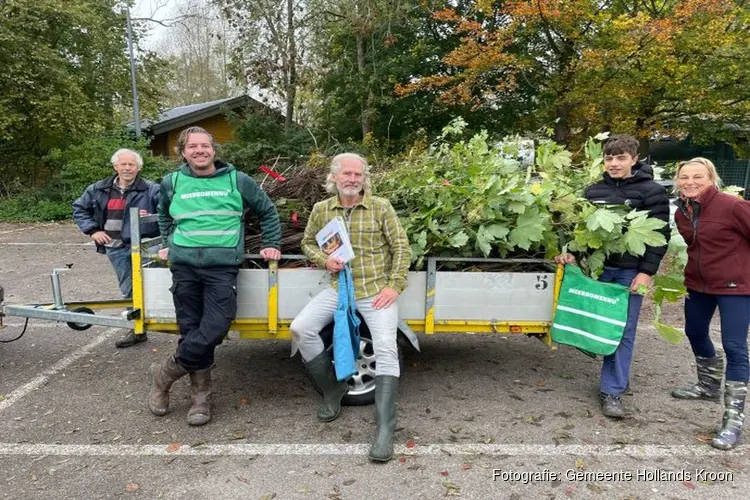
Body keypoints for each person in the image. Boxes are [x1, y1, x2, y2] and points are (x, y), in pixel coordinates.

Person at [149, 126, 281, 426]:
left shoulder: (237, 180)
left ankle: (164, 374)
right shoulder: (172, 182)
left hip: (221, 267)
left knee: (217, 326)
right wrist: (169, 243)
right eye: (192, 146)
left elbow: (268, 212)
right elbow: (165, 215)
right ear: (183, 152)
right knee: (191, 328)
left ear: (214, 150)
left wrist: (272, 243)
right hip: (183, 266)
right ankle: (201, 399)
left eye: (204, 145)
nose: (199, 150)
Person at [291, 153, 410, 462]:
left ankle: (385, 428)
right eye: (347, 174)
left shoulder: (380, 207)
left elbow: (401, 247)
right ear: (335, 177)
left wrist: (394, 285)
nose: (353, 179)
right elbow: (307, 243)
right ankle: (332, 392)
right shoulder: (322, 210)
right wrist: (323, 260)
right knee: (301, 329)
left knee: (385, 347)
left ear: (364, 178)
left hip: (374, 292)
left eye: (358, 175)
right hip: (339, 290)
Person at [555, 134, 670, 418]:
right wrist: (570, 252)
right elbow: (580, 232)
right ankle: (618, 377)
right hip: (599, 270)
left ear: (634, 159)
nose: (614, 164)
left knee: (622, 330)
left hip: (630, 272)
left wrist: (646, 272)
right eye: (609, 158)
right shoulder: (592, 192)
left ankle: (613, 392)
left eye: (621, 158)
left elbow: (660, 236)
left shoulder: (652, 192)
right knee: (599, 325)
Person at [669, 157, 750, 450]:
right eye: (684, 177)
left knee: (735, 346)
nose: (690, 181)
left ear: (711, 178)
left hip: (734, 287)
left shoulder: (732, 206)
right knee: (695, 332)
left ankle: (733, 420)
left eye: (698, 176)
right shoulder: (682, 212)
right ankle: (707, 386)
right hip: (698, 285)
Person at [73, 148, 160, 348]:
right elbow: (79, 209)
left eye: (132, 164)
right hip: (115, 247)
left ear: (139, 168)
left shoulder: (152, 189)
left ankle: (167, 323)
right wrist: (93, 230)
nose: (128, 168)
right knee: (128, 289)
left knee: (154, 284)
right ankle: (137, 330)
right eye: (124, 164)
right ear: (115, 166)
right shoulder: (98, 189)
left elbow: (165, 210)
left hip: (146, 246)